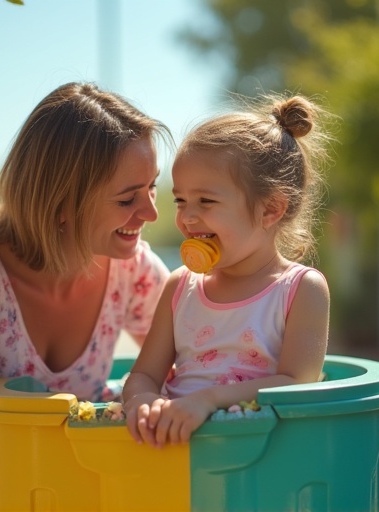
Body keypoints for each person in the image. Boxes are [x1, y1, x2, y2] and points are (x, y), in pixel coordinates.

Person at [0, 82, 171, 510]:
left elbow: (194, 365)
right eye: (127, 199)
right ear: (60, 202)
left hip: (68, 492)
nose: (151, 213)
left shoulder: (132, 268)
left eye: (152, 187)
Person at [123, 94, 333, 448]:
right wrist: (141, 400)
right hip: (177, 450)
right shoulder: (181, 286)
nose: (188, 217)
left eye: (206, 201)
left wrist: (207, 401)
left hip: (259, 453)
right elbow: (144, 374)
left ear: (271, 209)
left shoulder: (300, 289)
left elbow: (298, 382)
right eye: (180, 200)